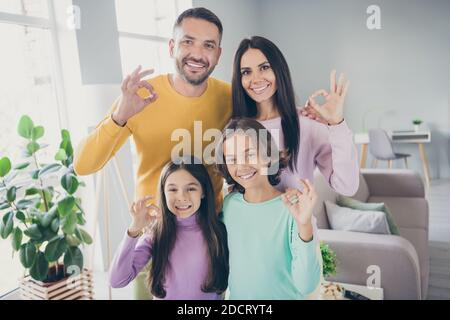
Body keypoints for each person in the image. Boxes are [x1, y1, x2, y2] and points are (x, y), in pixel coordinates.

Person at [74, 8, 231, 213]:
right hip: (154, 233)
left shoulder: (230, 97)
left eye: (208, 45)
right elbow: (83, 165)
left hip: (210, 230)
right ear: (171, 47)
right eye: (188, 42)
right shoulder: (140, 96)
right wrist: (120, 116)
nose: (197, 54)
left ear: (218, 54)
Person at [231, 36, 359, 198]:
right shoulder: (235, 130)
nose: (256, 79)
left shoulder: (307, 124)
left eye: (264, 67)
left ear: (279, 69)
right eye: (246, 72)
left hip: (300, 223)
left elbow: (347, 187)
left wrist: (336, 124)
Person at [216, 118, 321, 299]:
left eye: (249, 155)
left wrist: (304, 225)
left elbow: (306, 285)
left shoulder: (293, 207)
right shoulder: (229, 205)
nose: (241, 166)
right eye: (232, 159)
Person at [109, 156, 229, 299]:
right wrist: (134, 230)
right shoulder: (156, 234)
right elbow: (117, 280)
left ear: (203, 192)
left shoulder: (219, 232)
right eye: (172, 189)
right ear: (163, 193)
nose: (181, 197)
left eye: (191, 188)